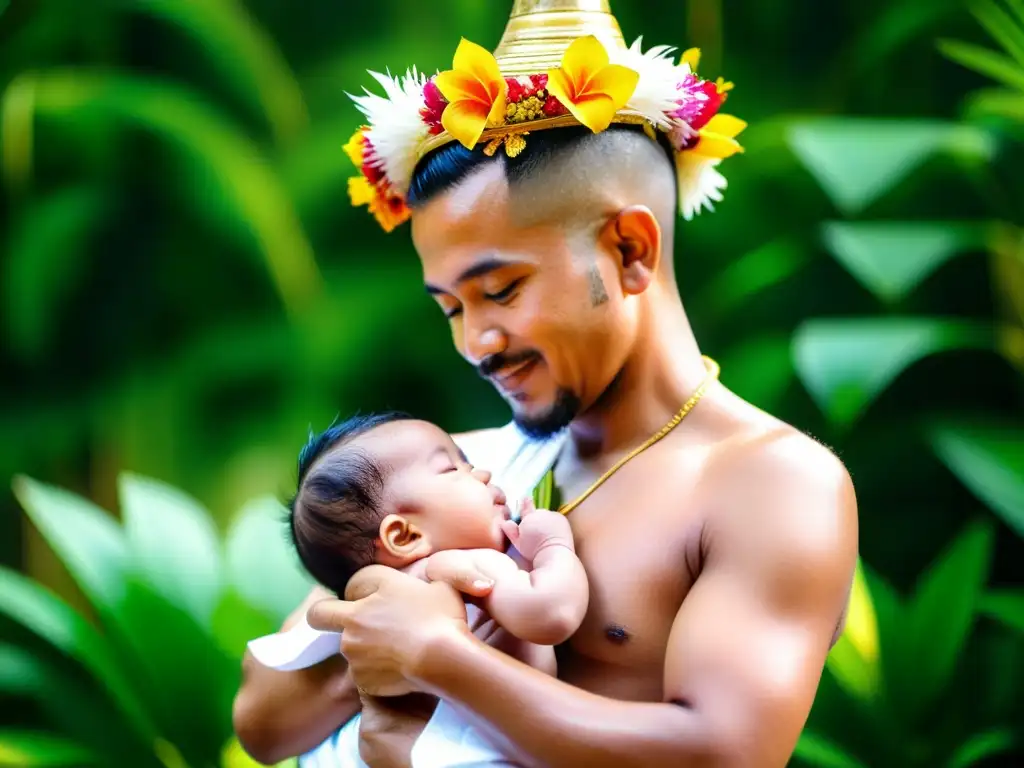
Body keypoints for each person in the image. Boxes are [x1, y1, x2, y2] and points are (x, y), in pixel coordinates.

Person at [232, 3, 859, 766]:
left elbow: (722, 752)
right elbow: (264, 720)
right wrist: (418, 609)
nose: (475, 343)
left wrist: (440, 655)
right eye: (451, 308)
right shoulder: (454, 474)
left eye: (499, 291)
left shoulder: (771, 483)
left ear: (629, 248)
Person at [247, 412, 589, 767]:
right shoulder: (459, 568)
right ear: (404, 536)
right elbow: (551, 614)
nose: (484, 473)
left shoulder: (377, 599)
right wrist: (553, 544)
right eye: (453, 469)